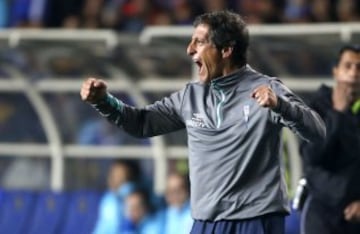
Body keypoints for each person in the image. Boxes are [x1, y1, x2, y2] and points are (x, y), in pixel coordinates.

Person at [81, 10, 325, 234]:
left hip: (255, 220)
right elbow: (142, 123)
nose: (189, 49)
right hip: (205, 222)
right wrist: (104, 102)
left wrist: (281, 107)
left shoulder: (268, 89)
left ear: (226, 50)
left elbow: (318, 132)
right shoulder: (191, 97)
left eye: (199, 42)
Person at [300, 44, 360, 234]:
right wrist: (338, 113)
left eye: (359, 67)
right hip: (321, 214)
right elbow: (311, 157)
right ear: (336, 71)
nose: (354, 73)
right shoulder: (317, 107)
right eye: (348, 66)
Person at [92, 160, 138, 234]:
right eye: (112, 175)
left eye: (119, 176)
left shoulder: (133, 200)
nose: (113, 179)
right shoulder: (108, 199)